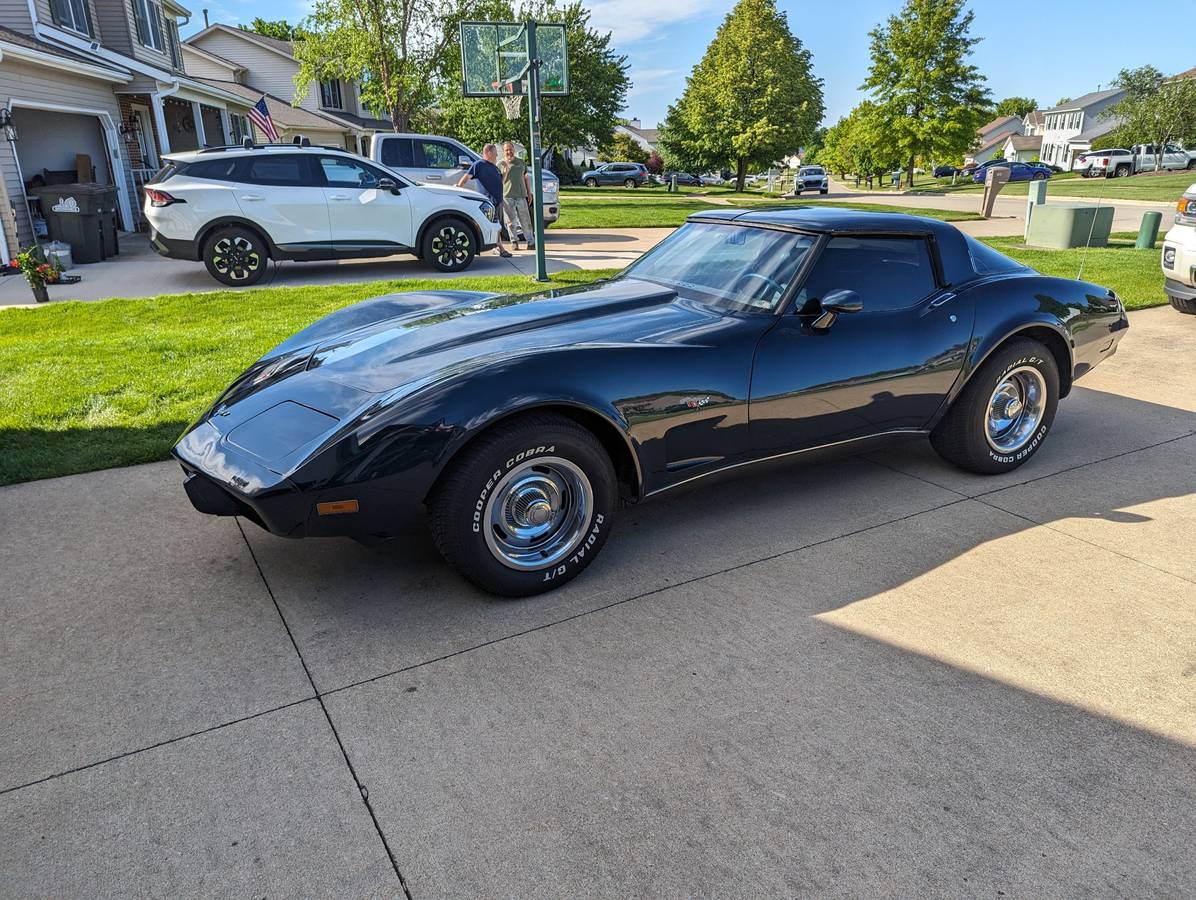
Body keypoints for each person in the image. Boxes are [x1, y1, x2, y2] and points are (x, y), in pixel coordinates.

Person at [456, 143, 510, 258]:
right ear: (489, 153)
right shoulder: (478, 165)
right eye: (495, 153)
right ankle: (501, 248)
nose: (496, 155)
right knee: (494, 224)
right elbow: (466, 177)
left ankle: (496, 246)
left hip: (498, 201)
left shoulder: (494, 167)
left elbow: (501, 182)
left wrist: (506, 170)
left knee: (498, 225)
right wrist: (458, 188)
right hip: (488, 201)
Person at [498, 141, 534, 251]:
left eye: (511, 149)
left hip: (521, 195)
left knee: (525, 220)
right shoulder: (500, 164)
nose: (509, 151)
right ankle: (514, 242)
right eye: (506, 150)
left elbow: (526, 178)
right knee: (510, 222)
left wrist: (529, 192)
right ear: (503, 152)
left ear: (514, 149)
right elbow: (498, 181)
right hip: (507, 196)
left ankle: (531, 242)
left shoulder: (521, 162)